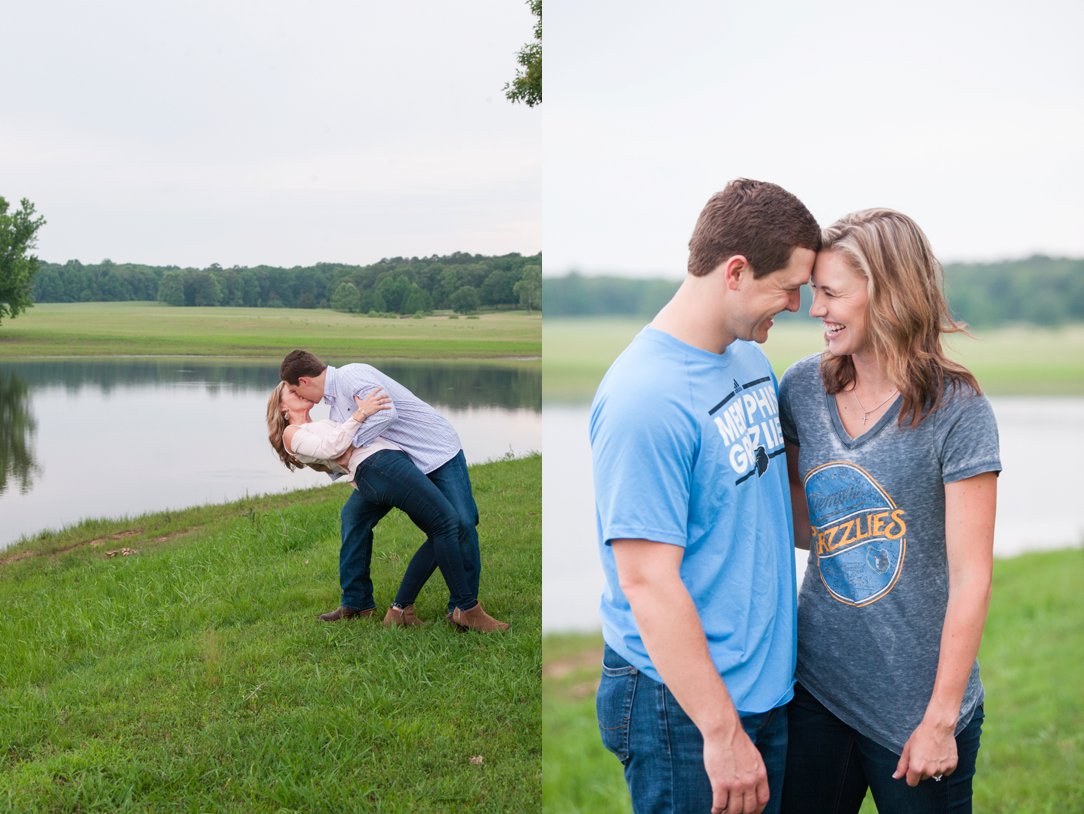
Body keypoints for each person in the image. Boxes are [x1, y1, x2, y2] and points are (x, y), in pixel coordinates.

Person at [590, 178, 821, 814]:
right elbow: (646, 582)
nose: (797, 305)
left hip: (763, 690)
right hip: (684, 707)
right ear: (736, 272)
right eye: (789, 287)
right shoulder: (645, 399)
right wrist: (721, 733)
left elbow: (770, 510)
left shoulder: (747, 359)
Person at [778, 209, 999, 813]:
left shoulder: (957, 409)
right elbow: (802, 522)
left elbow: (972, 576)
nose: (816, 309)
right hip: (817, 690)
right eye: (814, 291)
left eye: (831, 293)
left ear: (888, 292)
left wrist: (940, 720)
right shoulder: (802, 389)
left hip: (917, 710)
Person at [277, 349, 503, 632]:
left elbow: (386, 414)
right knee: (353, 518)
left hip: (434, 452)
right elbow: (334, 451)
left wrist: (348, 445)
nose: (298, 396)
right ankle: (357, 602)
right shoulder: (334, 410)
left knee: (462, 522)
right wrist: (344, 449)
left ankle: (460, 608)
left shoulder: (352, 376)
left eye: (295, 390)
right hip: (395, 466)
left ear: (304, 381)